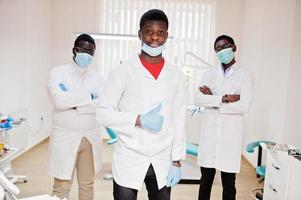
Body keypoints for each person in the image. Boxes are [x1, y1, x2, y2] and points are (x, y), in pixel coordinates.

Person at [96, 9, 186, 200]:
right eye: (148, 31)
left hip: (162, 158)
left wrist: (176, 161)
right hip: (129, 156)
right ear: (140, 34)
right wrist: (138, 119)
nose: (154, 37)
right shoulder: (121, 72)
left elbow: (179, 120)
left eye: (160, 32)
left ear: (167, 36)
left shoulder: (176, 76)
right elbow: (102, 113)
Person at [195, 35, 254, 200]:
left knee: (229, 186)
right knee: (205, 182)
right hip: (210, 137)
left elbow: (244, 106)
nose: (222, 51)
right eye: (218, 49)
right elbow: (198, 99)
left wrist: (212, 101)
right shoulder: (209, 74)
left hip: (230, 139)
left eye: (225, 46)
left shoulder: (245, 75)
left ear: (234, 47)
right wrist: (224, 98)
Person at [47, 34, 105, 200]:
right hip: (64, 136)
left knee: (87, 185)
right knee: (61, 186)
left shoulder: (98, 78)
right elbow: (58, 100)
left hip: (90, 137)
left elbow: (101, 103)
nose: (85, 54)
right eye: (82, 50)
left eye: (90, 52)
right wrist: (89, 97)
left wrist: (72, 100)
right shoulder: (58, 72)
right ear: (74, 50)